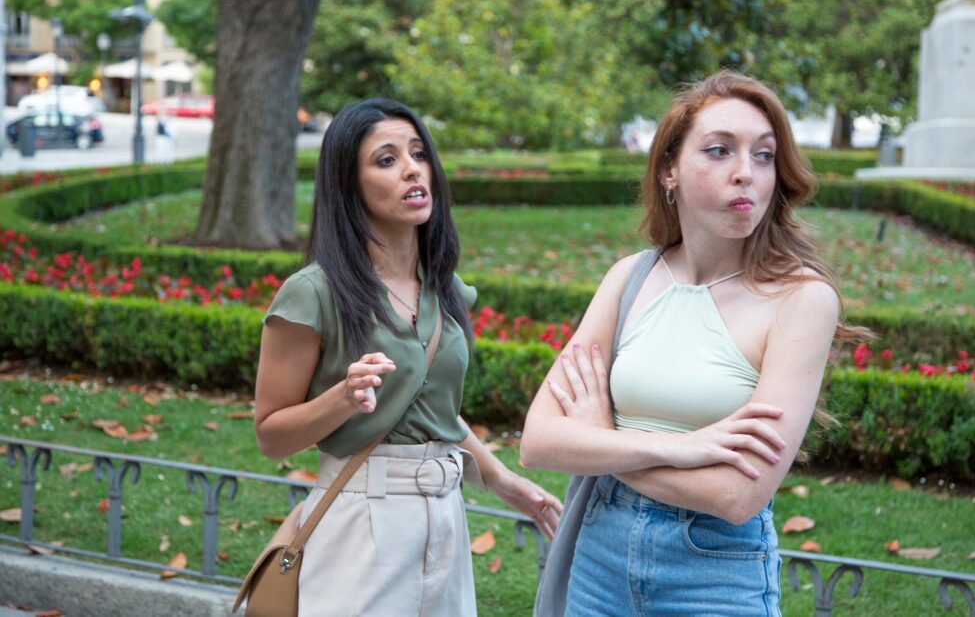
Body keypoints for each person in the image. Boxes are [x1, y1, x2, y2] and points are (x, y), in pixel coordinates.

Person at [521, 71, 851, 616]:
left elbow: (737, 495)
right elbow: (538, 441)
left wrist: (601, 439)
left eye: (764, 156)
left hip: (713, 567)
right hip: (598, 555)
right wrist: (677, 447)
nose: (746, 173)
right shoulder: (630, 277)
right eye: (720, 151)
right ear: (669, 170)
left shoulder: (802, 299)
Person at [254, 98, 561, 617]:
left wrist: (503, 481)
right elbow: (270, 433)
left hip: (444, 513)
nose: (413, 169)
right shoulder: (313, 294)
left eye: (418, 153)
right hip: (360, 518)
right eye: (386, 159)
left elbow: (431, 411)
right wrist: (342, 398)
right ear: (348, 185)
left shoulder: (446, 291)